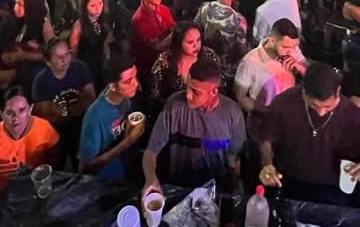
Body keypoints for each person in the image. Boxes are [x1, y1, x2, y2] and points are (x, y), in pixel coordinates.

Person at [258, 61, 360, 205]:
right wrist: (266, 163)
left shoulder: (353, 116)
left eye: (328, 106)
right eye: (314, 105)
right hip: (287, 181)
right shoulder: (283, 103)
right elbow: (266, 137)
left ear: (338, 92)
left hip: (333, 190)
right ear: (303, 91)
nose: (321, 112)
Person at [142, 59, 246, 194]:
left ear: (213, 92)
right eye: (187, 87)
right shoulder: (174, 105)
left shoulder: (233, 114)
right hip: (179, 187)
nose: (188, 95)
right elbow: (151, 151)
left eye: (196, 92)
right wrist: (151, 178)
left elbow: (234, 158)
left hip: (214, 190)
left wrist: (235, 189)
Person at [0, 86, 60, 205]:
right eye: (10, 112)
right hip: (3, 199)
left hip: (34, 195)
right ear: (1, 114)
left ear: (30, 109)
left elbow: (53, 161)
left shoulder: (45, 130)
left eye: (21, 110)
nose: (15, 118)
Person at [234, 18, 307, 145]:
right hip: (262, 125)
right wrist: (266, 112)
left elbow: (312, 75)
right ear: (272, 40)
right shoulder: (250, 61)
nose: (291, 51)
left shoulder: (292, 50)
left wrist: (300, 67)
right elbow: (240, 97)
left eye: (294, 46)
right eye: (285, 47)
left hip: (289, 121)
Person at [31, 38, 95, 171]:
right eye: (59, 57)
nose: (65, 60)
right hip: (55, 135)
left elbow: (90, 99)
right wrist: (75, 109)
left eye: (67, 54)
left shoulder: (80, 68)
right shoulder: (40, 82)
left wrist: (62, 111)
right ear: (48, 62)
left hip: (81, 128)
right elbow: (43, 115)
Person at [78, 54, 145, 180]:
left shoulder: (126, 96)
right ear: (112, 86)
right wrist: (127, 142)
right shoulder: (95, 117)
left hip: (127, 169)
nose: (135, 83)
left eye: (135, 76)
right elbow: (85, 167)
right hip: (107, 181)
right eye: (127, 81)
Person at [149, 20, 222, 107]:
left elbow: (221, 85)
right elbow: (155, 95)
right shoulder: (164, 62)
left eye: (198, 40)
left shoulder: (209, 55)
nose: (196, 45)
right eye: (190, 42)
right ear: (179, 42)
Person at [194, 0, 249, 83]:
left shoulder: (204, 6)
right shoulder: (239, 19)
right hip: (226, 69)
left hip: (206, 61)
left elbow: (196, 28)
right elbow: (241, 50)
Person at [129, 0, 175, 80]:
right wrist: (177, 31)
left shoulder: (163, 9)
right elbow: (157, 47)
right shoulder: (139, 20)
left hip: (165, 60)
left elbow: (172, 27)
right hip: (149, 68)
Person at [68, 0, 113, 88]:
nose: (98, 8)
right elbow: (73, 54)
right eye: (93, 5)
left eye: (100, 3)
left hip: (102, 64)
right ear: (85, 6)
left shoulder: (105, 19)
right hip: (87, 67)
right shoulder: (78, 26)